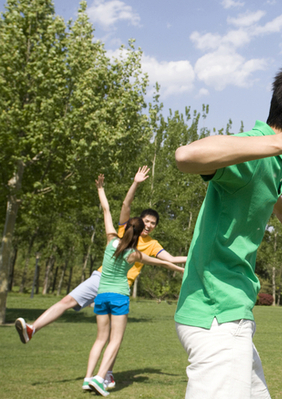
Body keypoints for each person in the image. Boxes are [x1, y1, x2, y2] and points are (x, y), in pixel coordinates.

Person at [173, 59, 282, 399]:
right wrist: (281, 143)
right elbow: (186, 156)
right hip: (217, 317)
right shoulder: (261, 148)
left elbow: (266, 187)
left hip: (231, 314)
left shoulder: (275, 159)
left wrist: (280, 212)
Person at [14, 166, 187, 389]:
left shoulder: (150, 244)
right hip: (101, 279)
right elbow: (124, 206)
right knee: (71, 305)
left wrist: (189, 260)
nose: (149, 225)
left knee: (110, 335)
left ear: (155, 227)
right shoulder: (125, 230)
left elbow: (169, 258)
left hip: (119, 287)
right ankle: (32, 329)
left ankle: (105, 374)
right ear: (138, 222)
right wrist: (135, 183)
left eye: (153, 223)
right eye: (146, 221)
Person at [85, 174, 184, 397]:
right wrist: (185, 264)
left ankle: (88, 378)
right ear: (140, 232)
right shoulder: (135, 254)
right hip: (119, 296)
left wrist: (101, 189)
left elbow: (106, 211)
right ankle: (101, 379)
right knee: (115, 340)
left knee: (101, 338)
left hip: (100, 296)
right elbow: (164, 262)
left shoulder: (111, 240)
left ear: (127, 227)